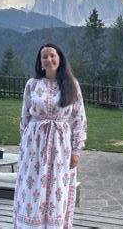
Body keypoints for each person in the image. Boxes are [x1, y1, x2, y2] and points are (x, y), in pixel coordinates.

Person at [13, 43, 87, 228]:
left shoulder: (71, 85)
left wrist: (76, 150)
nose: (49, 59)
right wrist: (24, 145)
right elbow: (25, 117)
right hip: (34, 145)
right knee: (33, 185)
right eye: (44, 57)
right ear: (40, 62)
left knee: (57, 186)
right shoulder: (32, 84)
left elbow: (79, 119)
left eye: (52, 55)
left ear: (60, 58)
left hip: (60, 146)